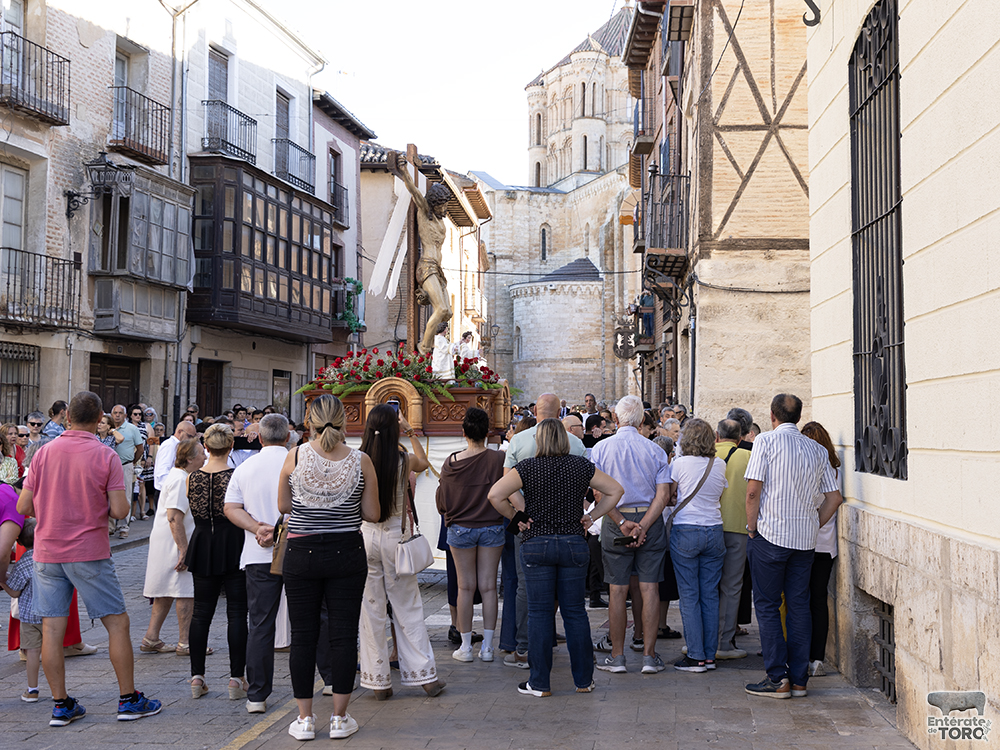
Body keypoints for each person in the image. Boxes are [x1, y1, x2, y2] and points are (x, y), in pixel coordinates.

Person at [17, 391, 161, 726]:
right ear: (100, 420)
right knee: (117, 623)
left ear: (67, 418)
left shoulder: (42, 453)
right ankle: (128, 700)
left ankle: (61, 705)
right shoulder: (105, 455)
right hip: (89, 552)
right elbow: (121, 510)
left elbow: (24, 507)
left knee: (52, 629)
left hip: (48, 551)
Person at [488, 418, 624, 696]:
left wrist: (518, 517)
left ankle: (539, 682)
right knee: (575, 613)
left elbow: (495, 494)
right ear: (565, 439)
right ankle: (584, 680)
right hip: (573, 541)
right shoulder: (580, 466)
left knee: (539, 613)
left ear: (539, 441)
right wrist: (591, 516)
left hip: (537, 542)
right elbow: (615, 491)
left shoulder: (527, 467)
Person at [277, 394, 379, 740]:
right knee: (343, 635)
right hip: (346, 551)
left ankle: (305, 719)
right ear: (344, 420)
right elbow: (373, 514)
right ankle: (340, 717)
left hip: (301, 550)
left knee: (303, 636)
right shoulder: (360, 461)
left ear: (310, 421)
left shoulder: (294, 456)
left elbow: (282, 504)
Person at [744, 394, 844, 699]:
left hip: (771, 535)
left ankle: (778, 678)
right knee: (799, 606)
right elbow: (834, 497)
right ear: (798, 417)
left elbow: (753, 491)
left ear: (773, 415)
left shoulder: (765, 442)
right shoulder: (815, 449)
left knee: (767, 605)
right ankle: (799, 679)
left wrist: (752, 528)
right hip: (804, 540)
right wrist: (814, 523)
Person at [358, 405, 443, 699]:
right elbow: (424, 461)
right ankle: (425, 676)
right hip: (395, 537)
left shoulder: (359, 459)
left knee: (371, 610)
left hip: (367, 536)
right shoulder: (402, 460)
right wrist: (410, 430)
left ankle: (377, 681)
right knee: (408, 607)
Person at [501, 393, 586, 670]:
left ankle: (526, 647)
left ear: (535, 411)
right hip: (569, 523)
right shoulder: (574, 443)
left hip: (530, 524)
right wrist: (586, 514)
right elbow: (589, 486)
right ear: (560, 413)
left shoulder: (518, 441)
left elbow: (505, 485)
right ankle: (580, 668)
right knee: (570, 598)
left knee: (527, 586)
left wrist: (524, 512)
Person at [591, 394, 673, 676]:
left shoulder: (601, 449)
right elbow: (663, 495)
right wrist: (645, 524)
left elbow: (599, 492)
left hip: (617, 518)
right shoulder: (655, 451)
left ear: (616, 419)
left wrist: (623, 521)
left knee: (617, 590)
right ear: (641, 421)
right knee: (649, 587)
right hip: (648, 517)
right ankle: (649, 656)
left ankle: (617, 656)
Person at [223, 413, 293, 713]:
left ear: (260, 438)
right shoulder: (298, 461)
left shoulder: (245, 466)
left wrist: (255, 528)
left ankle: (257, 695)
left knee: (260, 624)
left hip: (258, 553)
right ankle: (328, 679)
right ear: (288, 436)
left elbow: (231, 507)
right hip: (299, 549)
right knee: (312, 617)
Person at [436, 407, 506, 664]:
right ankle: (488, 647)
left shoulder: (451, 462)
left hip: (461, 528)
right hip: (491, 526)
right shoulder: (499, 460)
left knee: (464, 587)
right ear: (488, 432)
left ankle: (465, 647)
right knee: (489, 587)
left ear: (463, 432)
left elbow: (442, 501)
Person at [183, 424, 246, 699]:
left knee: (201, 614)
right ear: (230, 446)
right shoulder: (236, 476)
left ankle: (197, 676)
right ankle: (236, 678)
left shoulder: (192, 477)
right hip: (232, 543)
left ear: (205, 447)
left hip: (202, 543)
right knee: (236, 612)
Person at [667, 418, 727, 672]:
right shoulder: (720, 464)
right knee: (710, 594)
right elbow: (720, 493)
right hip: (714, 529)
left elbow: (671, 495)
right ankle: (710, 655)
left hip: (686, 529)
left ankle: (695, 656)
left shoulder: (678, 463)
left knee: (689, 595)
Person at [140, 439, 201, 658]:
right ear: (190, 458)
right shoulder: (180, 480)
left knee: (165, 590)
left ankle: (151, 637)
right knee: (185, 591)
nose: (205, 458)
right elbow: (174, 517)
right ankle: (185, 641)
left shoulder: (180, 477)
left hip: (169, 541)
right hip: (175, 542)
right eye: (202, 454)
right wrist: (184, 549)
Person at [800, 421, 841, 678]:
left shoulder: (807, 468)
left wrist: (813, 523)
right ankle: (817, 658)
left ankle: (803, 655)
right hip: (826, 546)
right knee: (818, 600)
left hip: (805, 542)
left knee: (800, 600)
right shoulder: (836, 469)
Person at [714, 419, 752, 660]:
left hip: (709, 525)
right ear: (740, 438)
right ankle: (724, 642)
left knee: (705, 586)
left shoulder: (705, 454)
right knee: (731, 586)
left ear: (717, 435)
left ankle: (701, 640)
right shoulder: (747, 457)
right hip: (738, 527)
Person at [1, 519, 43, 702]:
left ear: (19, 542)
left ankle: (32, 690)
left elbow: (15, 591)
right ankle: (59, 687)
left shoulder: (23, 563)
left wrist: (3, 581)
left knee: (32, 652)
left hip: (30, 616)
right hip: (53, 614)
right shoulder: (50, 556)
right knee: (53, 650)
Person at [110, 404, 144, 539]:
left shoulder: (132, 429)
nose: (117, 415)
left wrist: (132, 462)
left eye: (120, 413)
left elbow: (140, 448)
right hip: (109, 467)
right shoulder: (106, 428)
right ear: (111, 415)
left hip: (125, 465)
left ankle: (124, 526)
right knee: (108, 496)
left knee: (126, 495)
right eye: (115, 413)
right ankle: (110, 526)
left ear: (125, 415)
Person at [154, 421, 199, 491]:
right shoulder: (170, 445)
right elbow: (162, 473)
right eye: (189, 436)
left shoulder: (178, 445)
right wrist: (173, 489)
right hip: (166, 490)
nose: (191, 440)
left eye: (193, 437)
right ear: (180, 431)